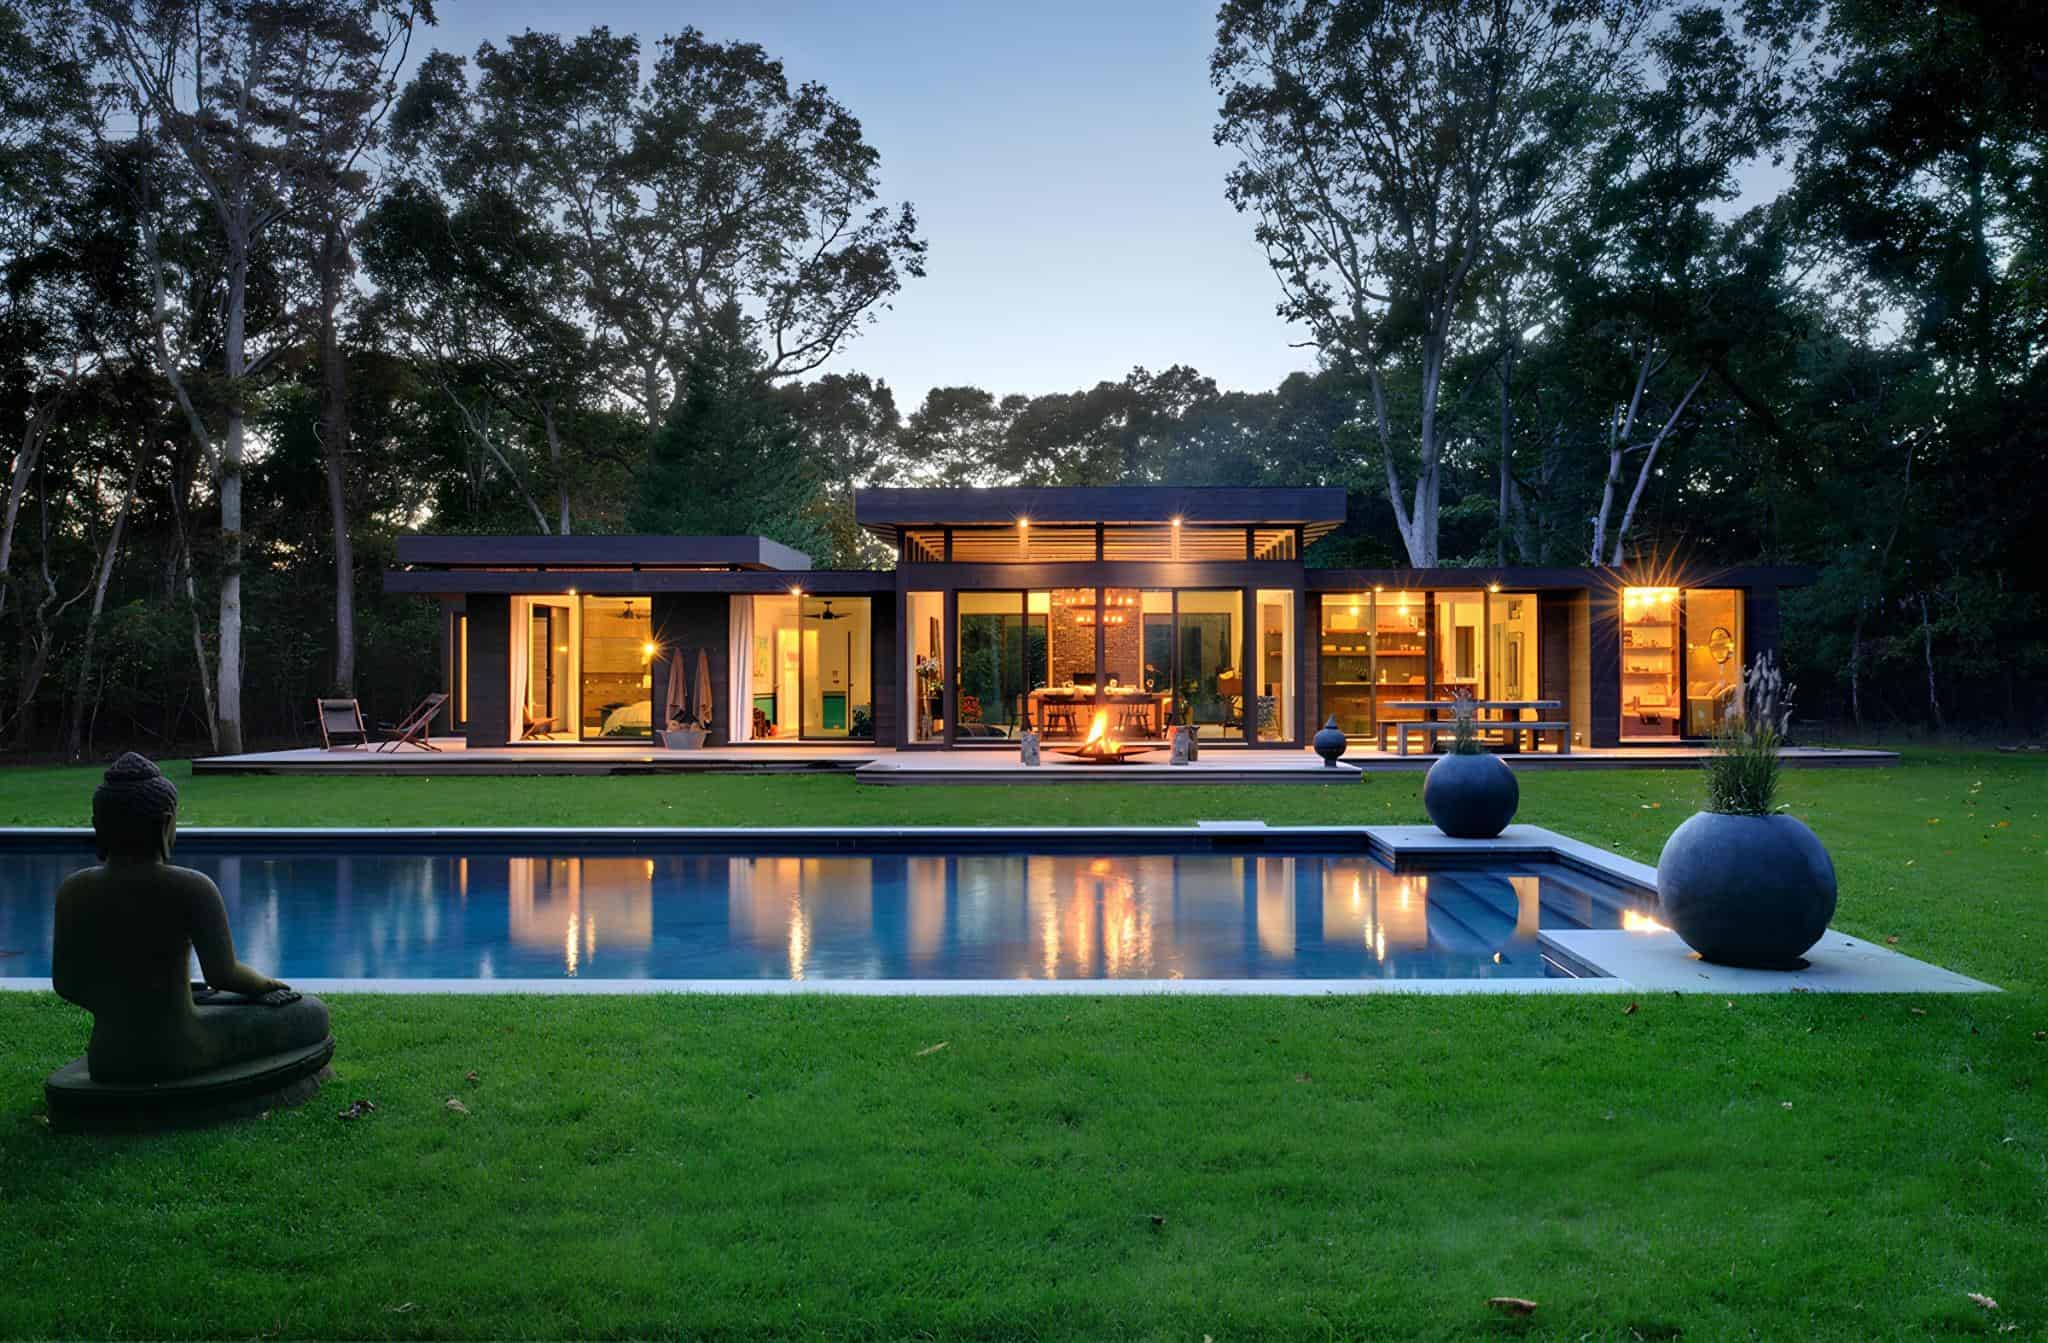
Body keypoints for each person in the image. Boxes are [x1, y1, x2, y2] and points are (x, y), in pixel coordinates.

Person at [51, 754, 330, 1084]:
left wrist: (127, 1006)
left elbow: (67, 983)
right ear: (165, 824)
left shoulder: (74, 890)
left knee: (213, 1000)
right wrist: (266, 985)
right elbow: (224, 974)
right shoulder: (190, 887)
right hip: (182, 1047)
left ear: (100, 826)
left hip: (109, 1053)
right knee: (312, 1014)